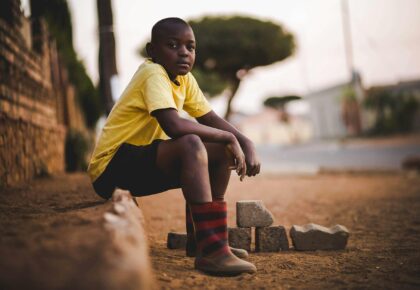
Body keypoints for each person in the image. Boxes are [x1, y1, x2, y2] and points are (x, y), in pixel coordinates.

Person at [88, 17, 261, 276]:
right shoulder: (152, 73)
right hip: (110, 170)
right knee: (191, 144)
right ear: (152, 51)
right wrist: (228, 138)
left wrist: (244, 140)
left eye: (190, 47)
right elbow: (174, 126)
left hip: (138, 162)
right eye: (172, 45)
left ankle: (207, 241)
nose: (183, 52)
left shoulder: (185, 79)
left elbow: (210, 118)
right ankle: (211, 255)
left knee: (215, 150)